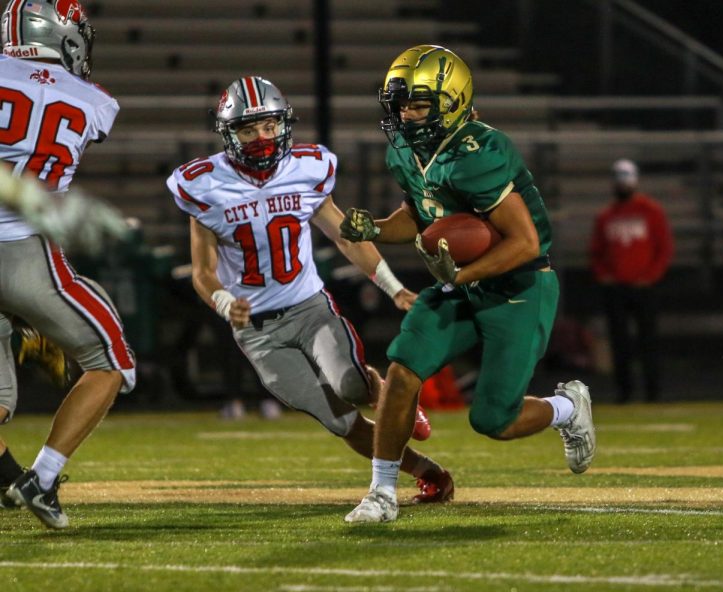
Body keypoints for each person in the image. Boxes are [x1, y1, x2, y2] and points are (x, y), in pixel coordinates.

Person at [340, 45, 596, 523]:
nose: (406, 114)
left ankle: (566, 407)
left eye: (419, 105)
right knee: (401, 372)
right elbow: (420, 218)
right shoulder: (404, 147)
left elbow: (525, 241)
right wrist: (375, 228)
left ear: (453, 101)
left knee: (493, 420)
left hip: (518, 287)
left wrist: (460, 274)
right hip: (462, 284)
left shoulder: (480, 151)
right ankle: (381, 492)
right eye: (400, 105)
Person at [167, 76, 448, 501]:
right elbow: (203, 273)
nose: (260, 138)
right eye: (247, 129)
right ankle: (426, 470)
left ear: (284, 125)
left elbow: (345, 236)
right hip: (257, 333)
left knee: (351, 385)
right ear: (229, 135)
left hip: (309, 308)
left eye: (268, 126)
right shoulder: (205, 184)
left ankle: (387, 396)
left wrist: (393, 288)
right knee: (341, 422)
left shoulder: (308, 167)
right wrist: (225, 303)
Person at [0, 0, 136, 529]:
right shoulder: (95, 101)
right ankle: (42, 477)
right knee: (112, 362)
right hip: (28, 253)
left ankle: (12, 475)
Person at [589, 159, 673, 403]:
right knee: (620, 343)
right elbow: (596, 252)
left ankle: (652, 392)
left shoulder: (651, 211)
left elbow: (664, 248)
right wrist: (604, 275)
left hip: (644, 288)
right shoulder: (606, 215)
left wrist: (650, 277)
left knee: (648, 340)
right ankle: (624, 391)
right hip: (616, 288)